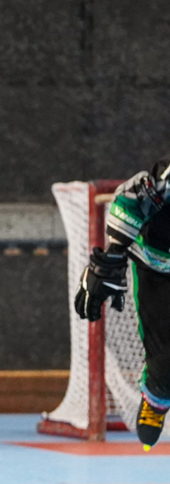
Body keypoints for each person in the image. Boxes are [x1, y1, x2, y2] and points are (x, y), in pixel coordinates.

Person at [75, 155, 170, 448]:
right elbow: (131, 198)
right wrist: (112, 256)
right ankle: (157, 395)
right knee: (166, 366)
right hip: (160, 267)